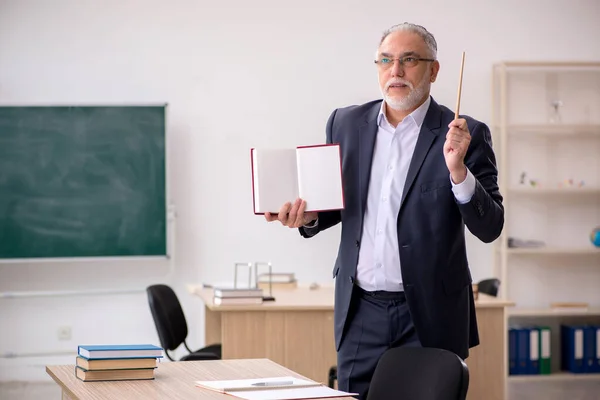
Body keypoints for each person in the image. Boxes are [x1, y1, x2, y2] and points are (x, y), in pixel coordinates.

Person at [265, 22, 504, 399]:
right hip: (361, 312)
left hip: (430, 314)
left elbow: (491, 226)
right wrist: (307, 217)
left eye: (409, 60)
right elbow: (338, 203)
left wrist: (458, 170)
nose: (396, 71)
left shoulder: (463, 132)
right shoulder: (344, 122)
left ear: (433, 70)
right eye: (386, 60)